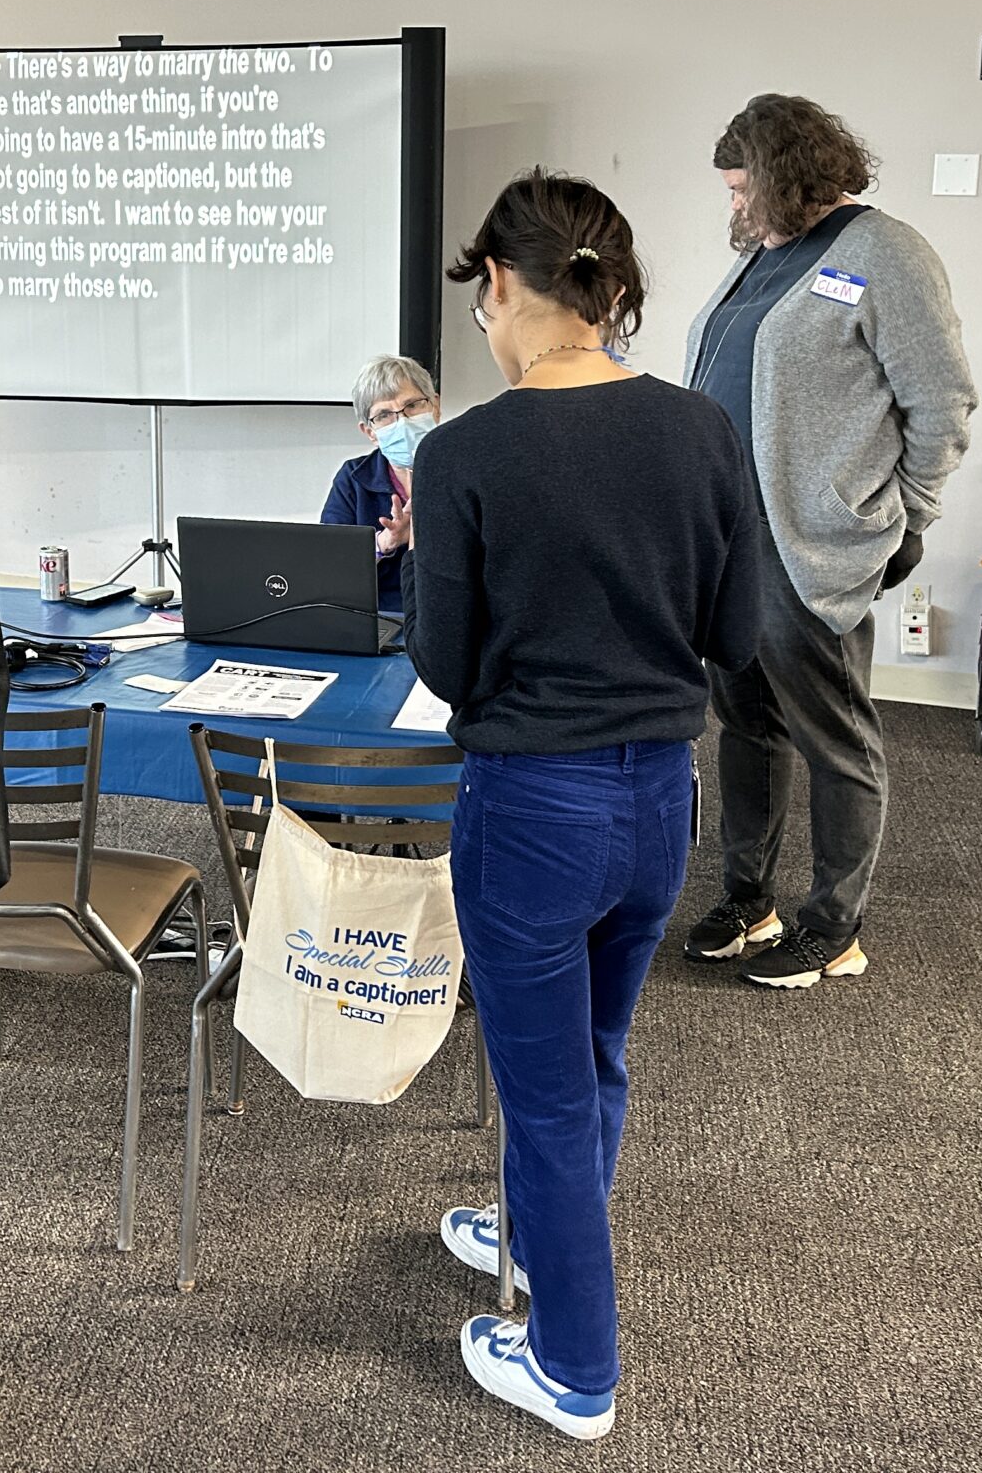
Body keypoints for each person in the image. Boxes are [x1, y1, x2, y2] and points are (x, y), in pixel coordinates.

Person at [403, 168, 763, 1441]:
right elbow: (741, 627)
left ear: (501, 285)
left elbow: (443, 661)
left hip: (530, 810)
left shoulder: (463, 453)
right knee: (594, 1057)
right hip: (662, 799)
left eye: (482, 304)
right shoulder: (702, 429)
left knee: (545, 1089)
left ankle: (573, 1366)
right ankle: (527, 1224)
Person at [678, 94, 975, 989]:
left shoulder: (885, 253)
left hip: (809, 543)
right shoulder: (763, 259)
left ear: (785, 177)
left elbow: (942, 403)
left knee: (834, 734)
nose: (732, 208)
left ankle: (834, 925)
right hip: (726, 541)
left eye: (741, 190)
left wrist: (907, 519)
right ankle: (748, 898)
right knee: (744, 722)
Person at [320, 354, 441, 614]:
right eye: (385, 415)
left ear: (435, 407)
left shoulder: (468, 471)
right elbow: (328, 569)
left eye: (412, 405)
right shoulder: (353, 479)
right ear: (370, 432)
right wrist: (386, 542)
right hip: (380, 616)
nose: (403, 422)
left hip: (452, 616)